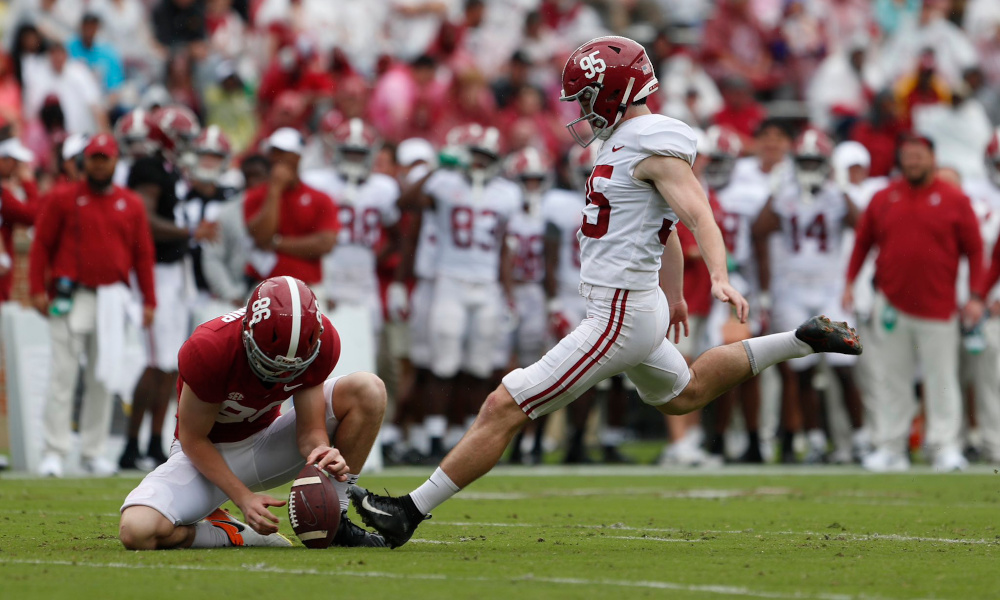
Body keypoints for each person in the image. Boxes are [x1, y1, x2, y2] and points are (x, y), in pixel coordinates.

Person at [350, 36, 862, 547]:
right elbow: (662, 228)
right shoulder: (622, 140)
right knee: (687, 394)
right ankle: (800, 340)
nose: (582, 109)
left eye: (588, 96)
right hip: (634, 306)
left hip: (619, 311)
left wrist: (721, 275)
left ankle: (408, 512)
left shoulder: (651, 143)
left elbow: (696, 213)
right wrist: (677, 295)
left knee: (503, 405)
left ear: (616, 89)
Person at [118, 276, 387, 549]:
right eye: (269, 364)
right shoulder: (210, 347)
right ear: (247, 333)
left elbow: (309, 431)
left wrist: (320, 450)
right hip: (207, 455)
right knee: (137, 530)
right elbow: (193, 439)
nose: (282, 374)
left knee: (368, 390)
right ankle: (228, 532)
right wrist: (243, 498)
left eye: (294, 368)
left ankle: (337, 520)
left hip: (268, 442)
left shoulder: (322, 341)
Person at [844, 134, 985, 473]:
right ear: (900, 160)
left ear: (932, 158)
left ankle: (944, 446)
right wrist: (849, 283)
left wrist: (977, 296)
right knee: (891, 379)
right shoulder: (883, 198)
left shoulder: (955, 199)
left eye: (919, 155)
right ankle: (891, 446)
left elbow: (976, 250)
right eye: (907, 156)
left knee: (941, 379)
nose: (913, 162)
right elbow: (863, 242)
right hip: (891, 302)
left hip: (938, 306)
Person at [29, 134, 157, 477]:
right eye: (95, 158)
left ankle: (92, 451)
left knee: (103, 377)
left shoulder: (130, 203)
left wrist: (149, 299)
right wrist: (37, 288)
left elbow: (143, 255)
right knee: (63, 374)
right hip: (72, 295)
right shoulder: (62, 198)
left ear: (115, 162)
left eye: (106, 158)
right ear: (85, 161)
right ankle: (54, 450)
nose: (100, 164)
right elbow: (41, 244)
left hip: (113, 298)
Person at [398, 124, 519, 460]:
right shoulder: (445, 181)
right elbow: (405, 201)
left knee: (481, 365)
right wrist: (439, 166)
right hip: (449, 280)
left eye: (486, 157)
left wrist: (508, 294)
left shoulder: (507, 193)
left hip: (487, 285)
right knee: (443, 362)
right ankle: (435, 436)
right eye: (475, 156)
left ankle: (466, 432)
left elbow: (503, 248)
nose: (480, 164)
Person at [752, 129, 862, 464]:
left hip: (829, 288)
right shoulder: (784, 193)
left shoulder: (836, 194)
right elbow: (759, 230)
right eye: (806, 161)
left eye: (816, 160)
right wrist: (773, 195)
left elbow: (862, 224)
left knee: (845, 366)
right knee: (801, 370)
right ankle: (813, 438)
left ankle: (859, 437)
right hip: (793, 290)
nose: (811, 166)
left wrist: (842, 191)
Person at [244, 127, 338, 292]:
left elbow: (325, 244)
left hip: (308, 287)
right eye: (273, 152)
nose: (276, 158)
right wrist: (274, 191)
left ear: (298, 157)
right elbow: (261, 236)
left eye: (283, 152)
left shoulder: (320, 198)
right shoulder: (255, 195)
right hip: (264, 287)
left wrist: (276, 243)